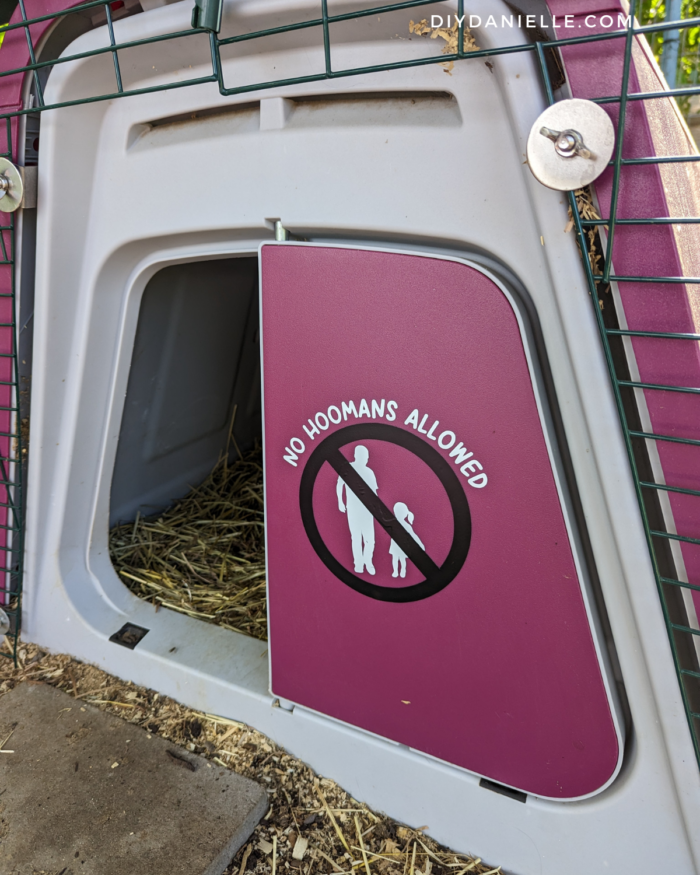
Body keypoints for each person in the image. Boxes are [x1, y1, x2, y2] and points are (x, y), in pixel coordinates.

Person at [337, 445, 378, 575]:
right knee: (356, 537)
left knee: (369, 539)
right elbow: (340, 484)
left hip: (367, 511)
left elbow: (374, 493)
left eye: (367, 457)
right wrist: (340, 501)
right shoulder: (348, 468)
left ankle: (368, 562)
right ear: (356, 456)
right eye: (363, 456)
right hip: (353, 509)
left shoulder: (369, 472)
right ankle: (358, 564)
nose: (365, 459)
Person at [389, 502, 425, 578]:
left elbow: (413, 535)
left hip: (401, 545)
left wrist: (420, 544)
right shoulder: (398, 524)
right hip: (397, 545)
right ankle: (397, 571)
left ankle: (401, 571)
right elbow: (414, 535)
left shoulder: (403, 525)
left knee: (399, 559)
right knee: (397, 559)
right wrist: (420, 545)